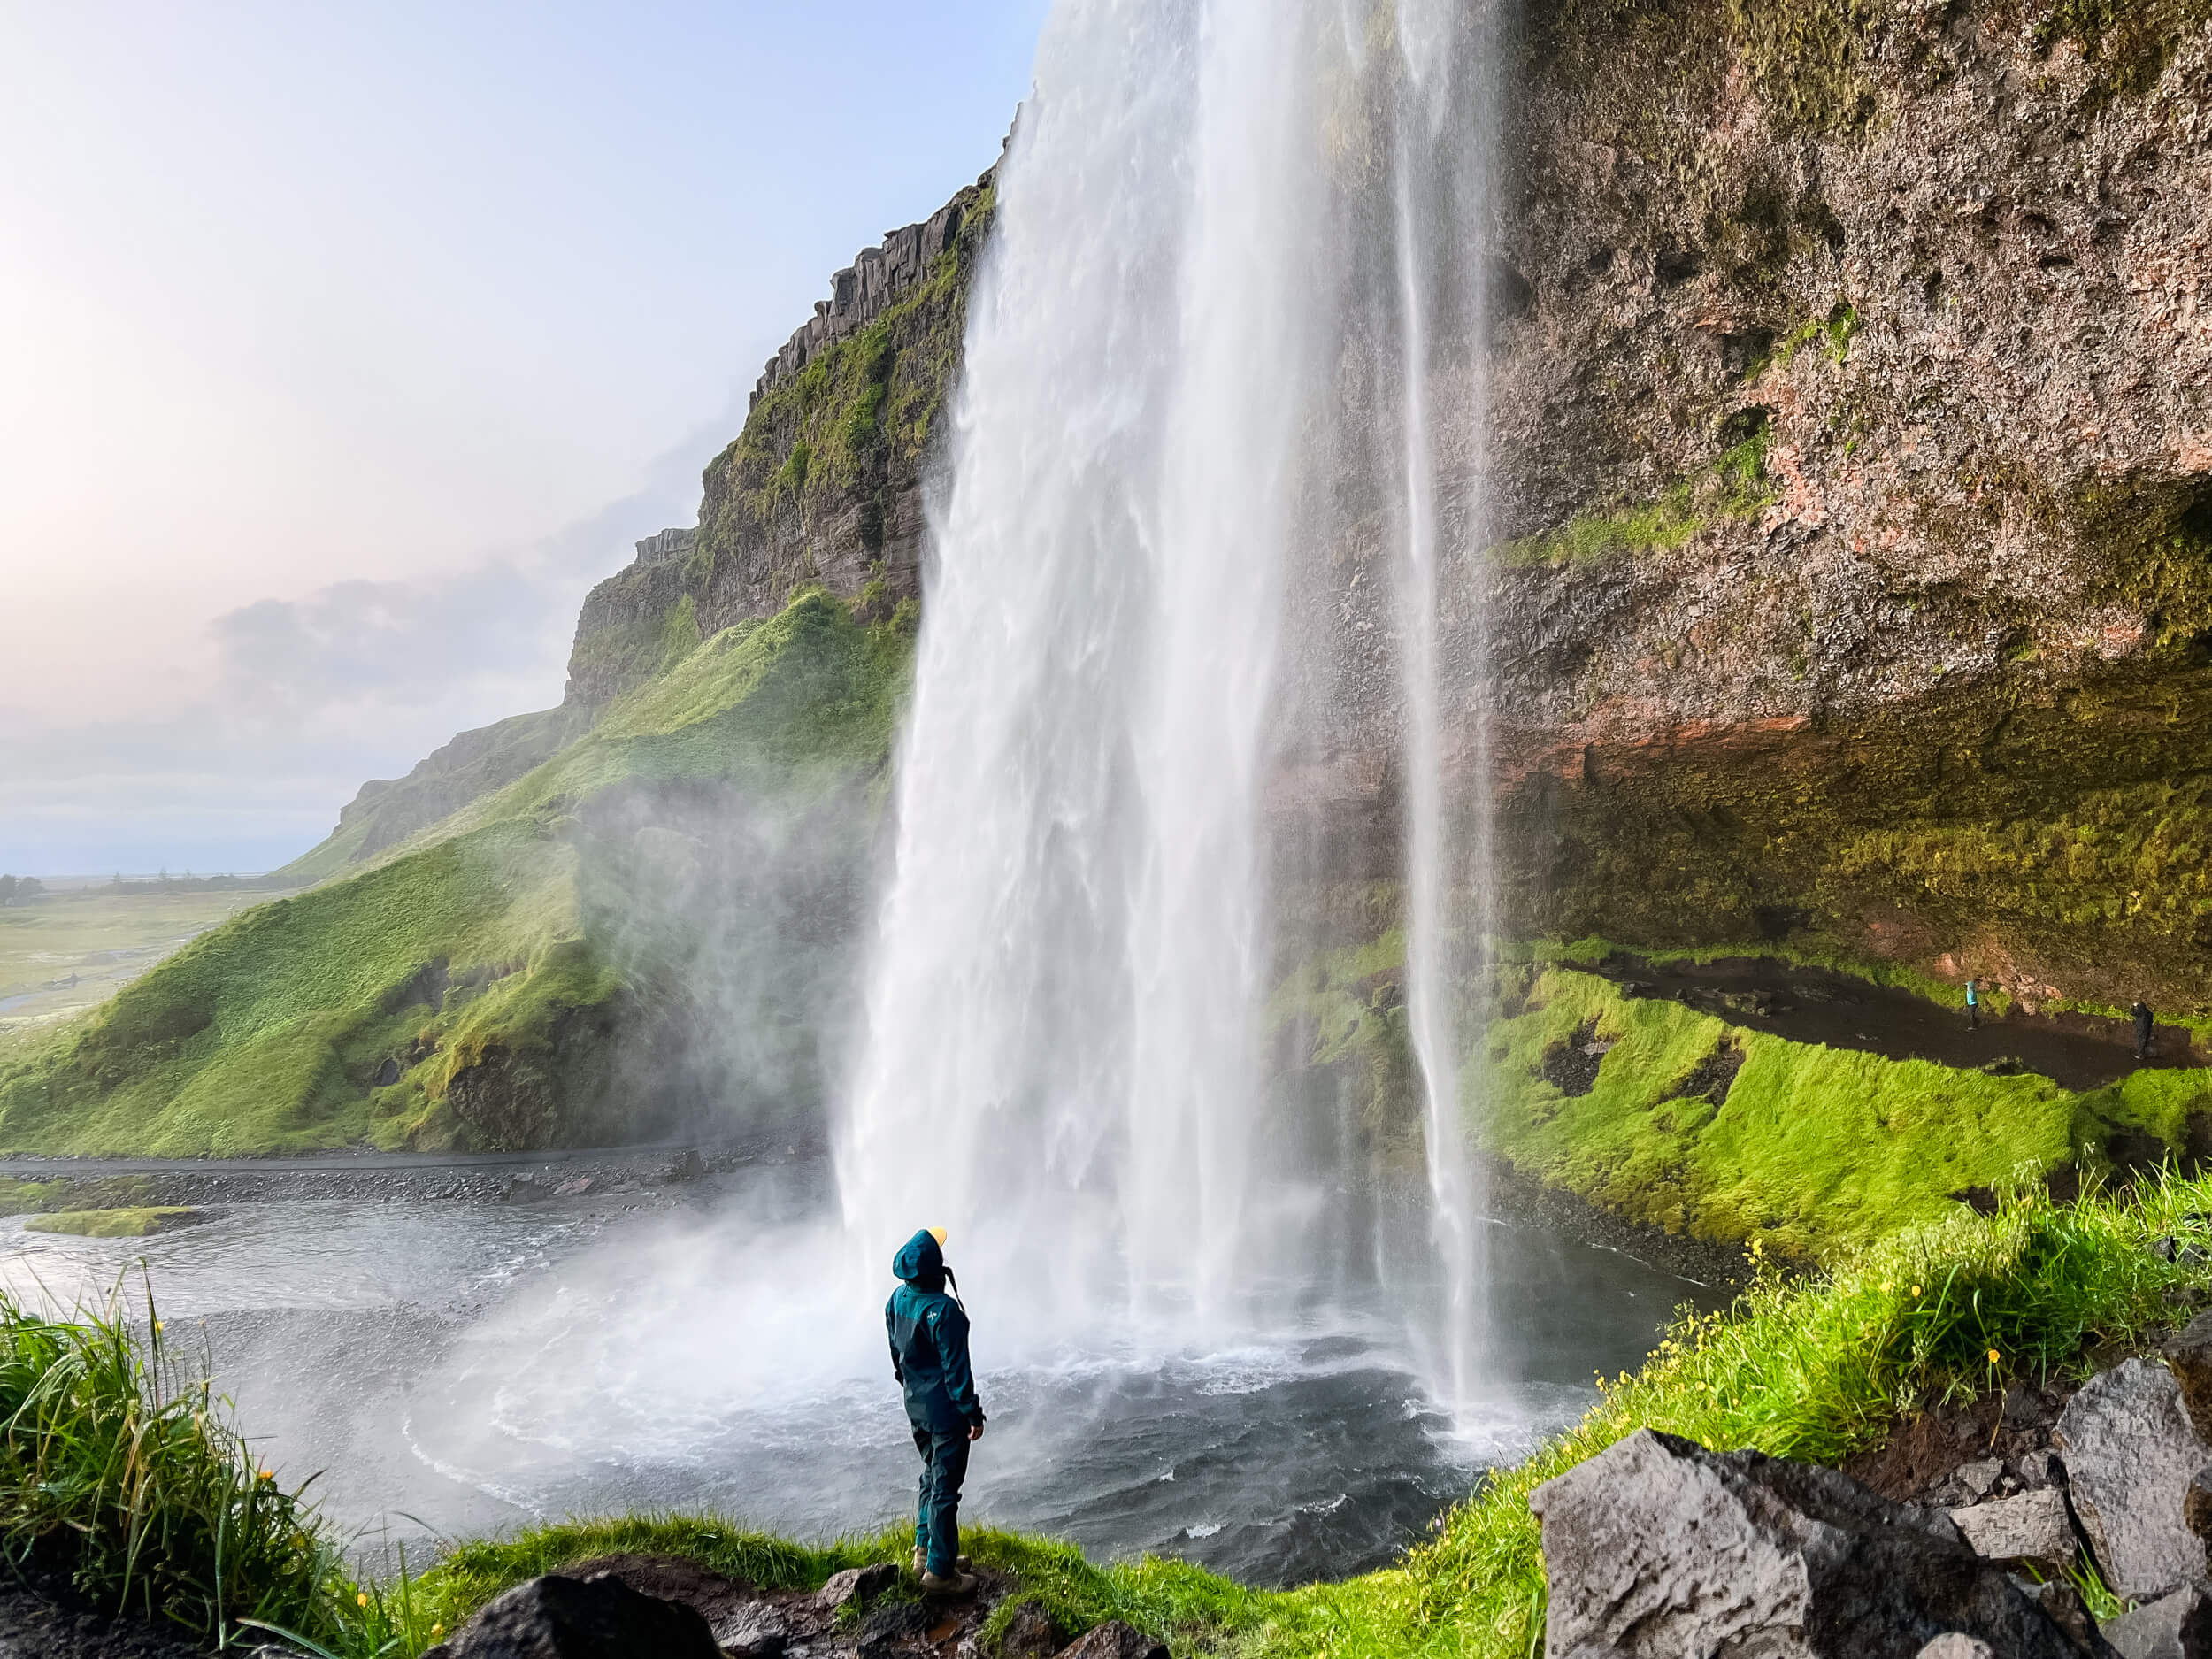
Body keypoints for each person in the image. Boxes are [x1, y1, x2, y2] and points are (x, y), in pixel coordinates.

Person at [887, 1227, 985, 1594]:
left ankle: (926, 1550)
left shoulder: (896, 1300)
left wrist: (913, 1390)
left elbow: (897, 1359)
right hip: (946, 1414)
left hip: (917, 1407)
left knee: (930, 1476)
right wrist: (972, 1414)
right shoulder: (945, 1312)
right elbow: (957, 1372)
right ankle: (940, 1574)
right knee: (945, 1488)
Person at [2132, 996, 2155, 1061]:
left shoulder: (2140, 1013)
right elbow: (2151, 1016)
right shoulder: (2147, 1012)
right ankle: (2141, 1053)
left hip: (2141, 1029)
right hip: (2145, 1028)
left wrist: (2133, 1006)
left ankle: (2140, 1055)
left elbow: (2132, 1013)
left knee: (2140, 1041)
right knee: (2143, 1040)